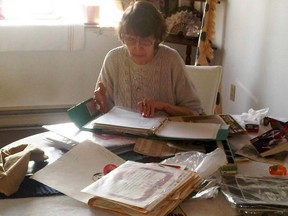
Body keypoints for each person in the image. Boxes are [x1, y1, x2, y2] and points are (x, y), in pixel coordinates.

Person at [94, 0, 204, 117]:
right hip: (123, 134)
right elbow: (104, 114)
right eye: (130, 39)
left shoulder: (171, 59)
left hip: (163, 133)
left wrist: (164, 106)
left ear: (157, 38)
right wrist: (101, 106)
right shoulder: (113, 59)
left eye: (145, 40)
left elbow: (196, 112)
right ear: (122, 37)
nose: (137, 47)